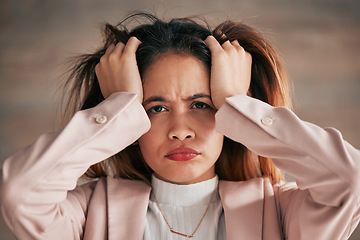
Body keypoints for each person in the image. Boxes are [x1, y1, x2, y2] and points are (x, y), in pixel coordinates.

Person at [0, 12, 359, 240]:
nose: (180, 130)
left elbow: (350, 181)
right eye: (155, 108)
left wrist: (238, 103)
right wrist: (118, 107)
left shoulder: (281, 213)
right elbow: (19, 193)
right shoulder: (87, 215)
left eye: (202, 104)